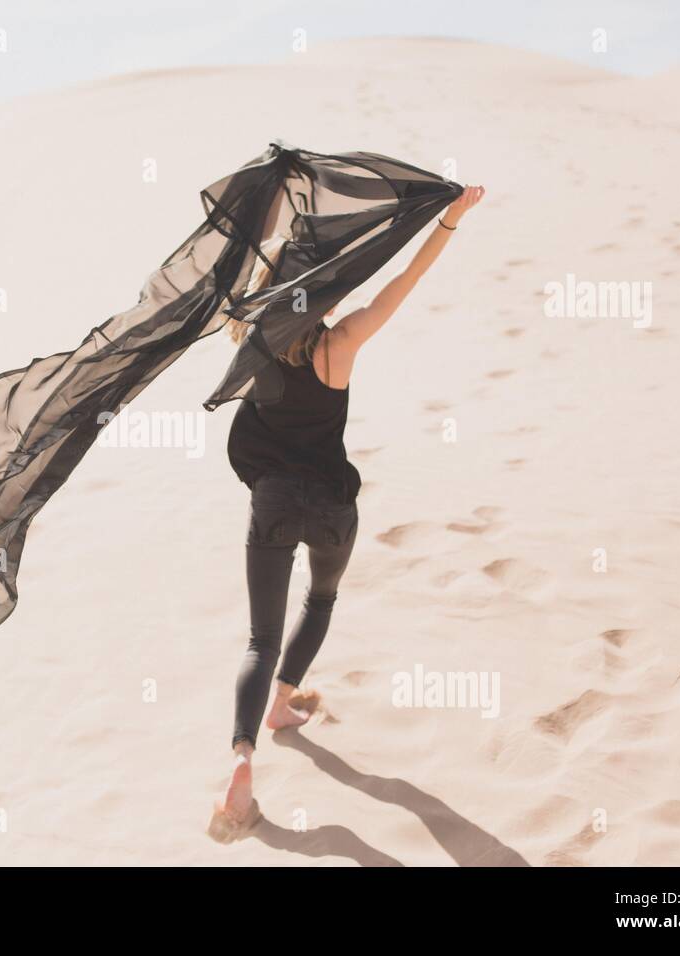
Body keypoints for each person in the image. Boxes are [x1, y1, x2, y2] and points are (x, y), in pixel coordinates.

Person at [212, 185, 486, 835]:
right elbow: (406, 280)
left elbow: (251, 270)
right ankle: (284, 705)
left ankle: (244, 756)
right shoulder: (341, 343)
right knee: (323, 599)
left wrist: (272, 209)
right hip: (333, 505)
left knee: (259, 637)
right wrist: (449, 219)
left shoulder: (245, 340)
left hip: (272, 502)